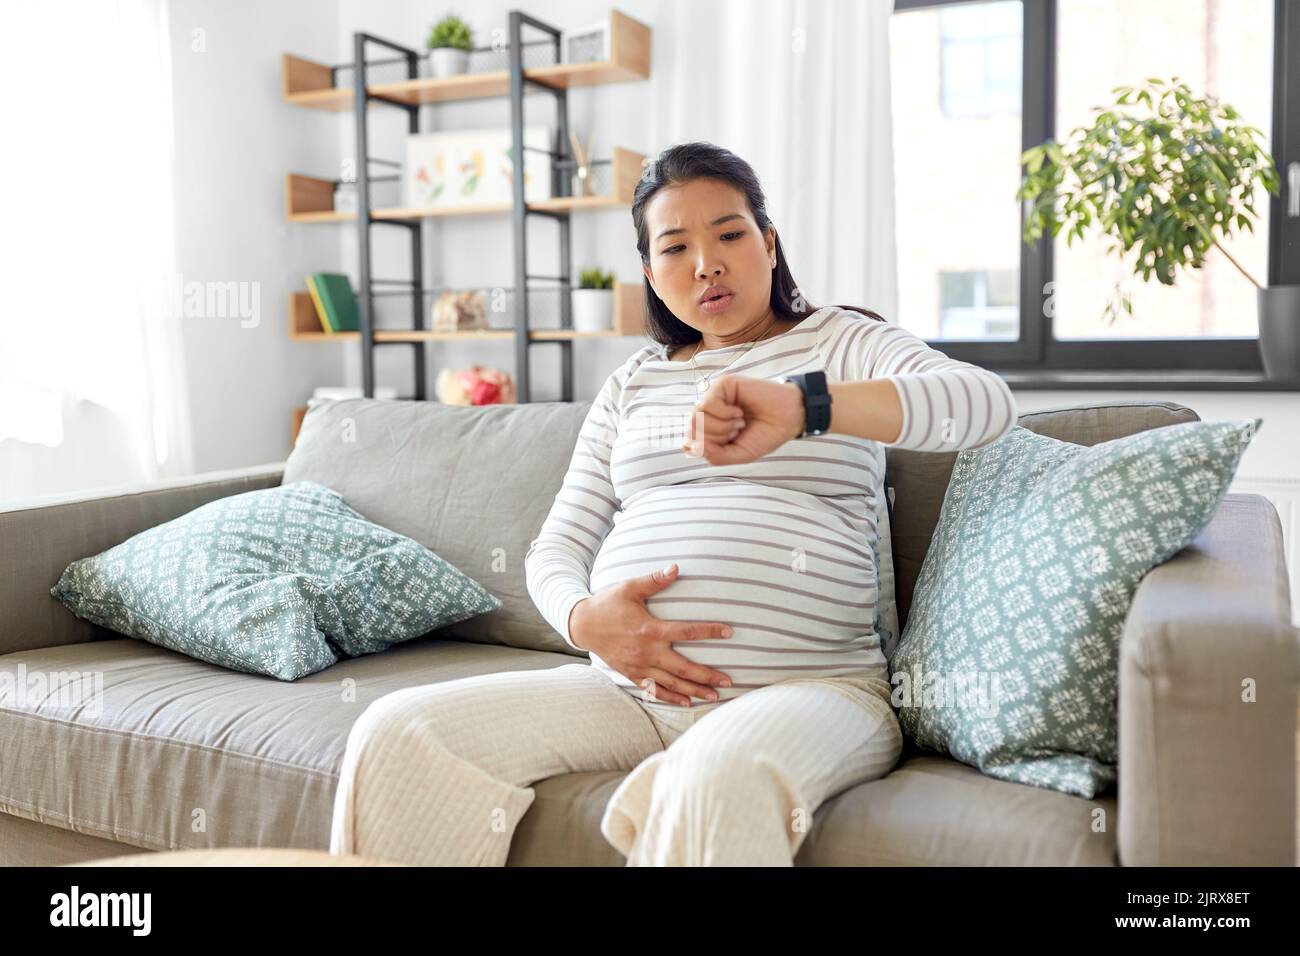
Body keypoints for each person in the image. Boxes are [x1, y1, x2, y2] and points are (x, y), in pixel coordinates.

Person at [329, 141, 1017, 866]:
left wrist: (804, 407)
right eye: (676, 247)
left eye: (729, 234)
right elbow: (557, 546)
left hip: (815, 689)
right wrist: (584, 619)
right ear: (651, 274)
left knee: (713, 778)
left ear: (769, 243)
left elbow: (984, 404)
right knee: (397, 731)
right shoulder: (633, 383)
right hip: (626, 695)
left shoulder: (843, 342)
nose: (707, 264)